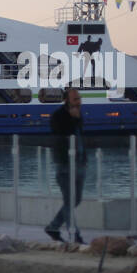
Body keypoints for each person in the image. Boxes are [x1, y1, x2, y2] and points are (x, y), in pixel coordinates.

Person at [45, 87, 87, 244]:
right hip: (65, 164)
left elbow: (80, 137)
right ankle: (75, 236)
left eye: (79, 98)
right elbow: (60, 134)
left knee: (75, 200)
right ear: (67, 100)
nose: (79, 101)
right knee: (70, 201)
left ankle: (53, 227)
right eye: (75, 99)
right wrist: (73, 119)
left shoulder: (79, 115)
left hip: (80, 162)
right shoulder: (59, 116)